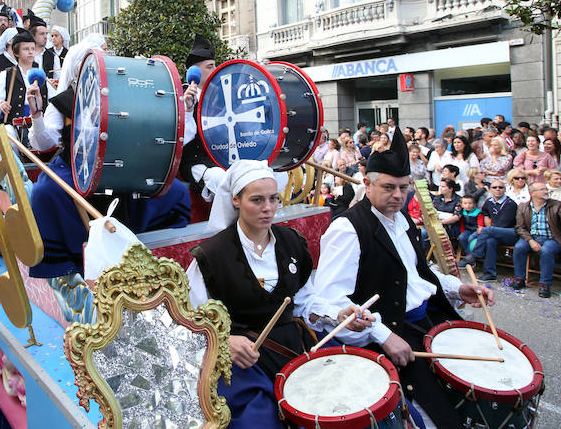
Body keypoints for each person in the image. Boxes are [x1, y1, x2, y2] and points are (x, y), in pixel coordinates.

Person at [311, 126, 493, 428]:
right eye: (388, 187)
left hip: (428, 320)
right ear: (367, 184)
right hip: (389, 331)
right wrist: (383, 336)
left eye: (404, 187)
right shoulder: (347, 229)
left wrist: (457, 288)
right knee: (435, 417)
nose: (398, 195)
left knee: (472, 392)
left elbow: (416, 273)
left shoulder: (404, 219)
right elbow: (330, 299)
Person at [187, 160, 371, 427]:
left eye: (273, 199)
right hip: (243, 363)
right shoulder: (211, 256)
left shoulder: (292, 242)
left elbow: (304, 302)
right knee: (259, 421)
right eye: (257, 200)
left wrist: (338, 314)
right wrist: (224, 342)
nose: (268, 208)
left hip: (293, 348)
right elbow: (190, 322)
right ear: (236, 200)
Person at [27, 35, 191, 278]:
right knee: (46, 192)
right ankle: (73, 264)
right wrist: (36, 114)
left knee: (175, 191)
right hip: (75, 165)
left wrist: (183, 110)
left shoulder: (121, 94)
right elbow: (44, 143)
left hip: (118, 163)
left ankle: (149, 256)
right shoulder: (62, 101)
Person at [179, 34, 224, 200]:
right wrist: (188, 109)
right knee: (220, 178)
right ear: (195, 72)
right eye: (210, 66)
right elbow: (183, 138)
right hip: (196, 162)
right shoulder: (182, 96)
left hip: (223, 158)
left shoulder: (221, 96)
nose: (215, 70)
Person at [511, 182, 561, 297]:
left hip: (552, 238)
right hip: (531, 237)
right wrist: (530, 240)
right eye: (542, 189)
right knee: (519, 247)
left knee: (546, 251)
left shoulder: (557, 205)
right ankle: (519, 279)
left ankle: (545, 284)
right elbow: (520, 228)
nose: (546, 191)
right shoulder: (523, 206)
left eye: (545, 189)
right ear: (532, 193)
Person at [459, 177, 519, 280]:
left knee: (487, 230)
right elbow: (486, 214)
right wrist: (486, 227)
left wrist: (485, 229)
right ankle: (490, 273)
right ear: (491, 190)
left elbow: (502, 225)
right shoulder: (489, 202)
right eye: (494, 187)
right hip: (494, 233)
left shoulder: (510, 204)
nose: (498, 189)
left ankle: (473, 255)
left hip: (510, 233)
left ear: (505, 189)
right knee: (490, 241)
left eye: (501, 187)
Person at [457, 194, 485, 259]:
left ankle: (470, 255)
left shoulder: (478, 212)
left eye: (470, 203)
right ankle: (468, 253)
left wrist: (480, 228)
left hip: (476, 230)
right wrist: (462, 232)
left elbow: (480, 223)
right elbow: (462, 224)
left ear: (474, 204)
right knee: (462, 237)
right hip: (467, 230)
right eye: (465, 203)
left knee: (471, 238)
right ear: (462, 205)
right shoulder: (462, 212)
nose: (468, 205)